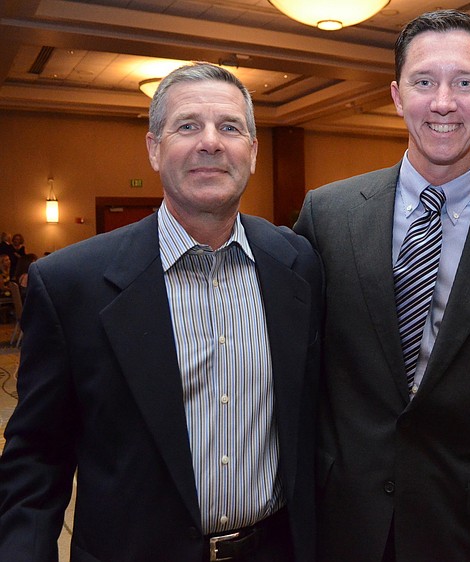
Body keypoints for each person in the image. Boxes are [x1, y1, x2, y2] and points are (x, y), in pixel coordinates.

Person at [0, 62, 323, 562]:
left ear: (253, 152)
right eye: (188, 125)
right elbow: (37, 459)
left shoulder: (296, 263)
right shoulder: (71, 284)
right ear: (153, 148)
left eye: (230, 127)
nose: (211, 142)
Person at [294, 10, 470, 562]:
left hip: (467, 526)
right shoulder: (328, 215)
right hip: (342, 518)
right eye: (424, 82)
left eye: (465, 83)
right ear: (397, 95)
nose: (444, 102)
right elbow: (300, 373)